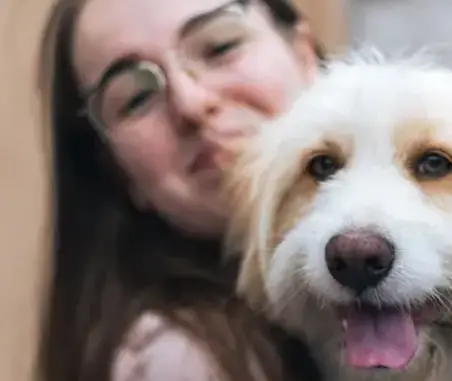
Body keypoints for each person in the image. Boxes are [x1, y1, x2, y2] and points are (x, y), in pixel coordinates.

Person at [36, 0, 326, 380]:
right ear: (119, 173)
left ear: (304, 56)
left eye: (220, 47)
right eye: (136, 98)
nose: (191, 102)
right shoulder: (178, 359)